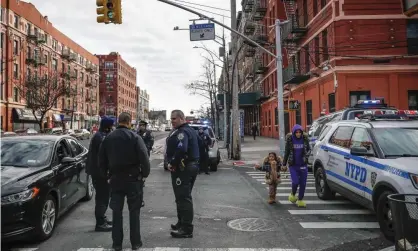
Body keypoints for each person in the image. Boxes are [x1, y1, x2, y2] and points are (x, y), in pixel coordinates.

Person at [98, 112, 150, 251]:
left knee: (116, 213)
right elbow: (144, 157)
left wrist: (106, 177)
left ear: (118, 122)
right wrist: (144, 174)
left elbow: (101, 161)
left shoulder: (108, 138)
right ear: (129, 122)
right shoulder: (135, 137)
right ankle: (135, 243)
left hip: (115, 180)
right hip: (133, 179)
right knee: (134, 212)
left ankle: (117, 244)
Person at [166, 110, 199, 238]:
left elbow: (182, 149)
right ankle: (181, 222)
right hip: (189, 166)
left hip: (183, 168)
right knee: (180, 197)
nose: (172, 121)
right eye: (171, 119)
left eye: (174, 118)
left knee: (184, 198)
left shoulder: (182, 132)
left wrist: (173, 163)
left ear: (181, 118)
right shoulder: (189, 130)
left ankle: (186, 228)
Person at [86, 116, 114, 232]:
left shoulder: (100, 135)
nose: (112, 127)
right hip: (100, 172)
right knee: (102, 198)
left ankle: (102, 218)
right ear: (107, 126)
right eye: (111, 125)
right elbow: (104, 155)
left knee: (103, 197)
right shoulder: (101, 137)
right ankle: (100, 223)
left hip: (97, 171)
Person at [283, 124, 310, 208]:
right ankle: (293, 194)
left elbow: (309, 150)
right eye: (296, 132)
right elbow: (287, 152)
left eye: (300, 132)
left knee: (303, 183)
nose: (298, 134)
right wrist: (284, 164)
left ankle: (300, 200)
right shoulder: (290, 140)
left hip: (303, 165)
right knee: (295, 182)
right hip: (293, 165)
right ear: (293, 132)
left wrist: (306, 156)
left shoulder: (305, 139)